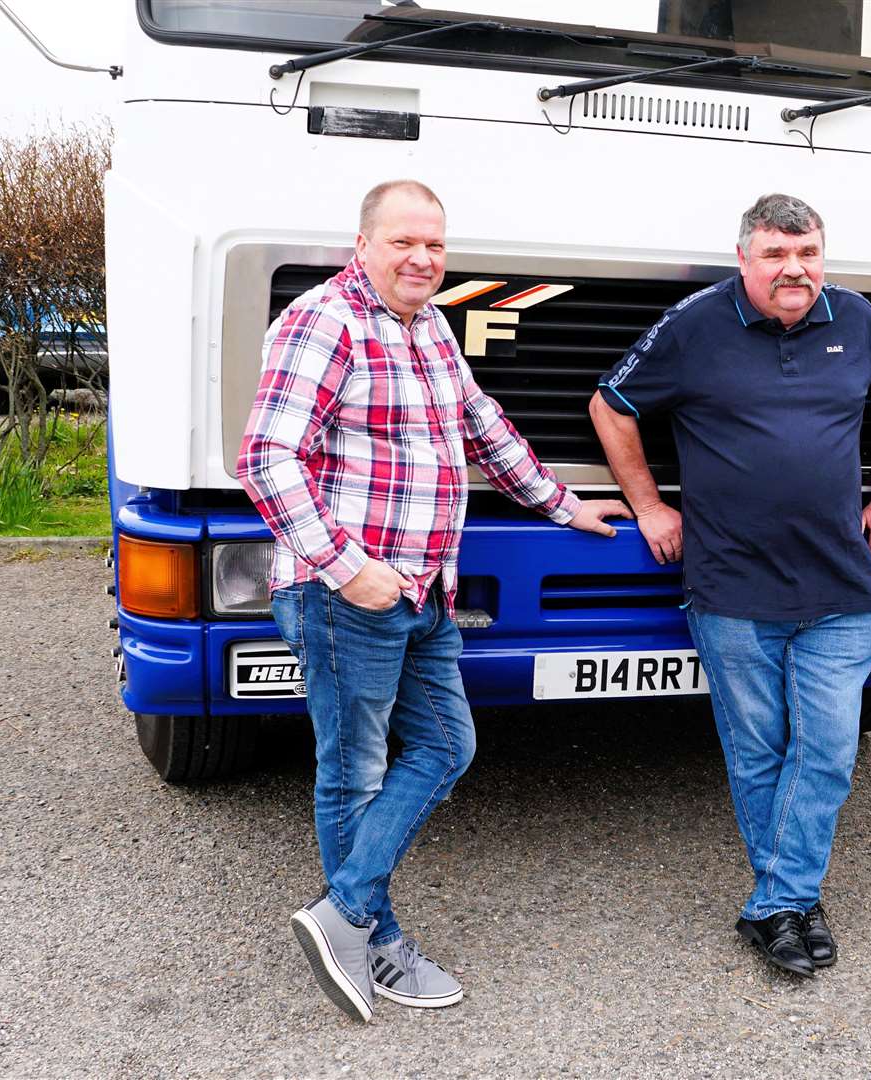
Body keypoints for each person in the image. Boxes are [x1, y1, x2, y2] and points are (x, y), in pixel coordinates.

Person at [237, 179, 628, 1020]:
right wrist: (345, 567)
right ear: (364, 243)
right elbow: (266, 459)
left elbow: (480, 426)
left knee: (447, 746)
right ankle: (373, 942)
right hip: (349, 596)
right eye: (404, 243)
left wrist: (563, 504)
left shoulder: (428, 325)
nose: (422, 259)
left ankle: (341, 914)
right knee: (354, 772)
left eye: (435, 246)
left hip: (423, 591)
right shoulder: (324, 319)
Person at [588, 193, 871, 976]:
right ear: (745, 259)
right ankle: (792, 899)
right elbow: (610, 406)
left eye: (806, 254)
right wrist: (647, 505)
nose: (793, 270)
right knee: (758, 751)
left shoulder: (858, 320)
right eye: (775, 255)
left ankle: (777, 900)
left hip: (840, 584)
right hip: (731, 587)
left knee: (830, 751)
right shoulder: (695, 323)